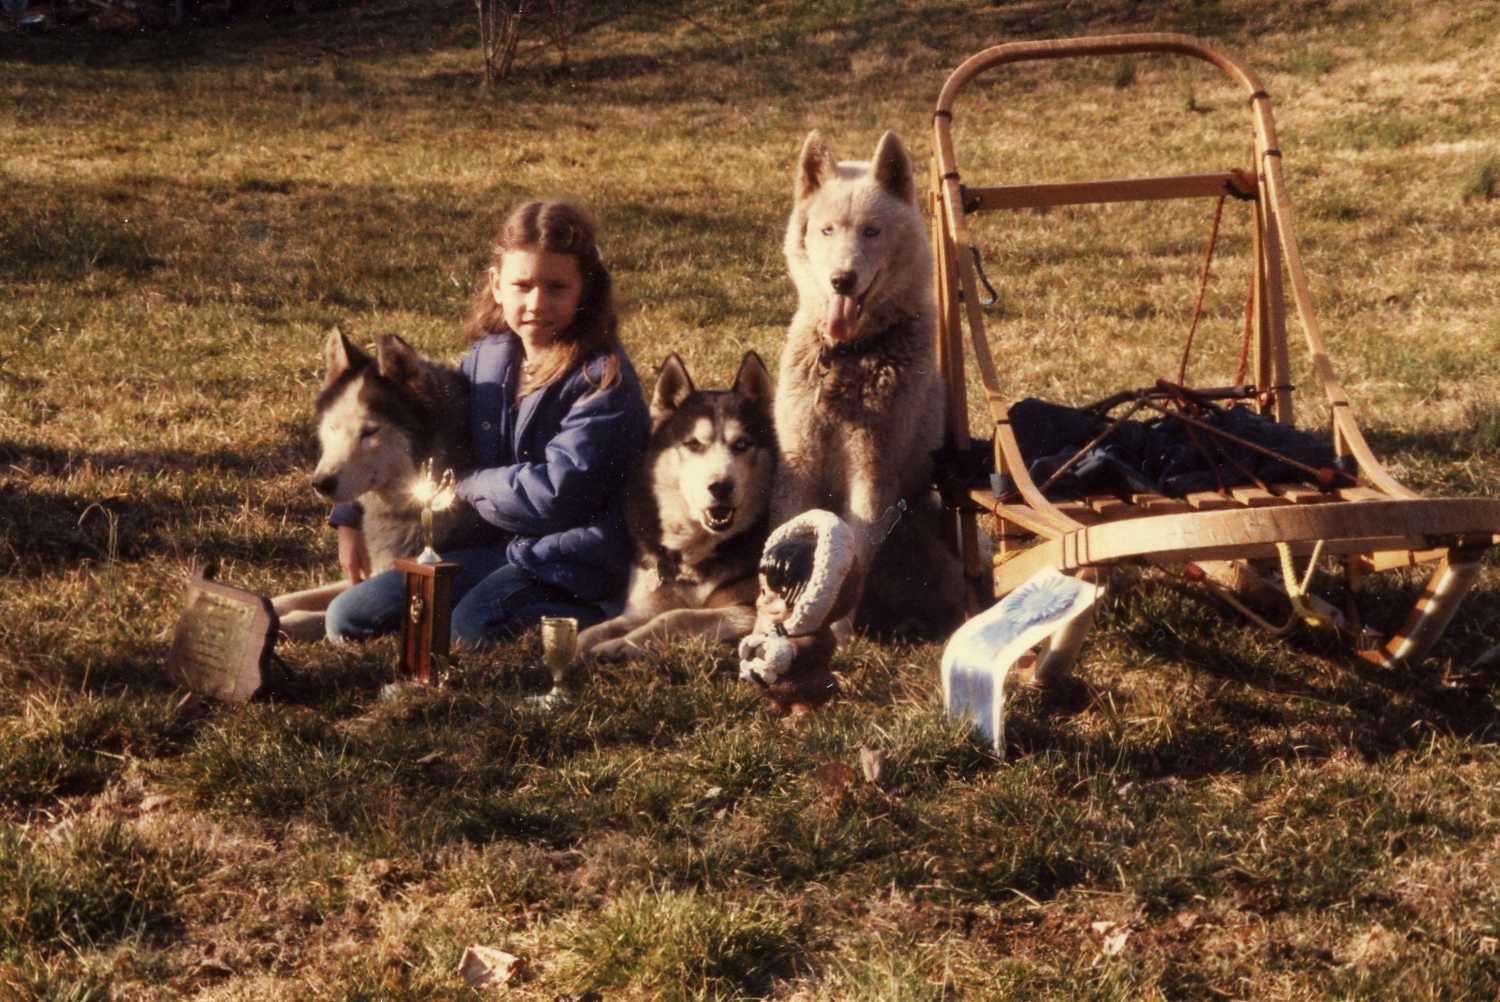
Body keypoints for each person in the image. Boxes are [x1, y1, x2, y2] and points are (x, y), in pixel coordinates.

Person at [325, 200, 650, 648]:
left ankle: (599, 614)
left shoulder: (603, 380)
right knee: (349, 617)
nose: (537, 303)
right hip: (495, 549)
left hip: (577, 560)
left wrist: (471, 483)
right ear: (497, 286)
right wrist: (347, 514)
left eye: (556, 287)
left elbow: (555, 494)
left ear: (585, 291)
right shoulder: (490, 357)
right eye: (522, 285)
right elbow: (419, 424)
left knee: (470, 630)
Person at [737, 510, 865, 715]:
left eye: (778, 595)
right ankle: (776, 704)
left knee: (804, 697)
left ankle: (802, 712)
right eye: (763, 591)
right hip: (776, 684)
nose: (764, 601)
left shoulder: (814, 636)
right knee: (775, 694)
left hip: (806, 686)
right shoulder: (775, 628)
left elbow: (813, 649)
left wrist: (791, 650)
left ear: (813, 597)